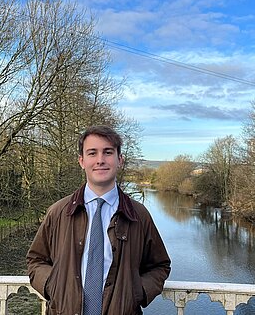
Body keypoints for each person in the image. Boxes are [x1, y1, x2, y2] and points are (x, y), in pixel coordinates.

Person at [26, 125, 171, 315]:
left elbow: (160, 265)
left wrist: (137, 292)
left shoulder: (138, 215)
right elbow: (35, 260)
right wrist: (54, 286)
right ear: (81, 161)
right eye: (92, 153)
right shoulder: (58, 212)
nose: (100, 160)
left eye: (108, 152)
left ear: (120, 160)